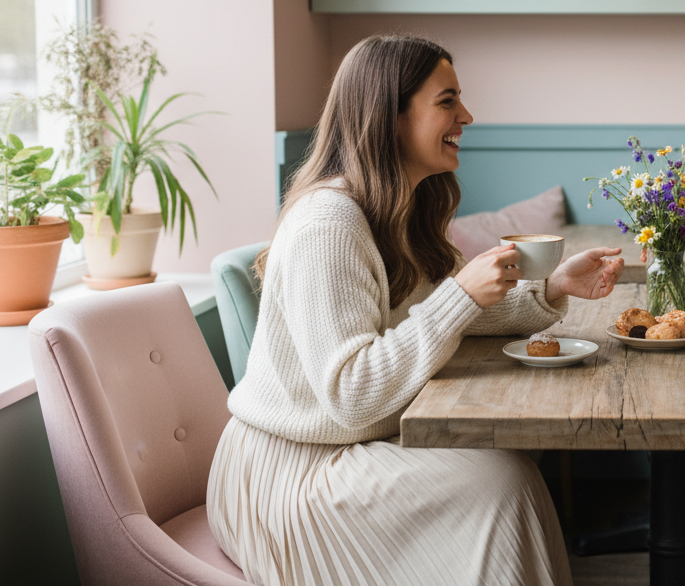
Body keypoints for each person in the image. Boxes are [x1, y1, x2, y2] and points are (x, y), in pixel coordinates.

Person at [207, 34, 624, 586]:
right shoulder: (328, 224)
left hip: (351, 445)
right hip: (294, 472)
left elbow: (444, 321)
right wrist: (461, 293)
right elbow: (353, 393)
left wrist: (550, 288)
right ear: (390, 117)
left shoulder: (401, 210)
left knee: (504, 474)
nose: (467, 116)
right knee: (501, 483)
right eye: (447, 101)